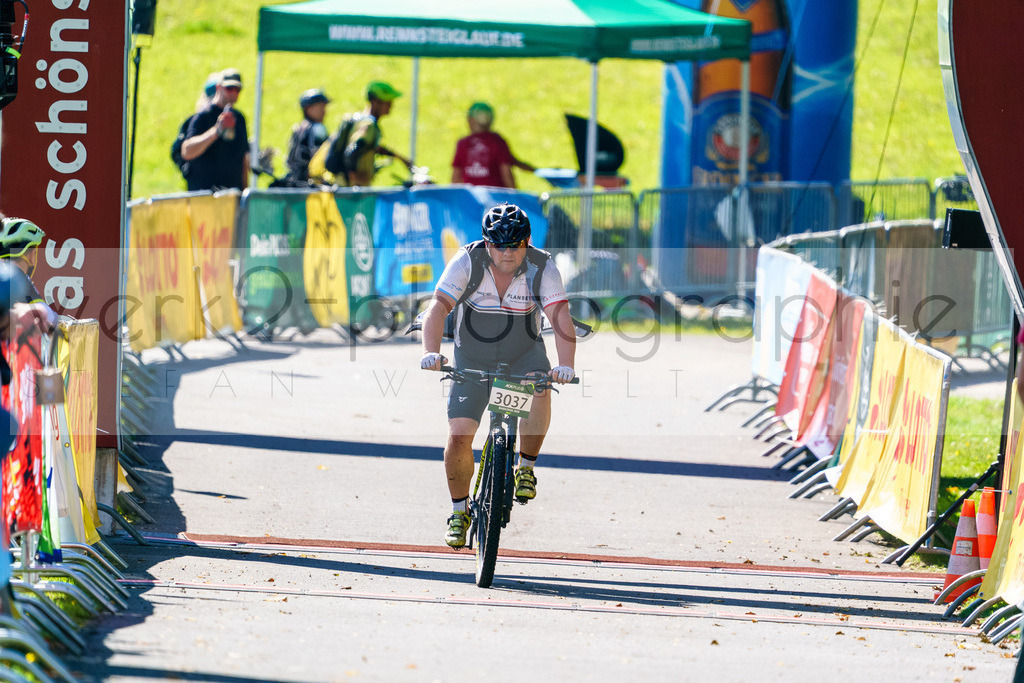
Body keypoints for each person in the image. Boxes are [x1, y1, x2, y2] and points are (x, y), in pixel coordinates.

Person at [419, 203, 577, 548]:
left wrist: (565, 364)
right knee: (460, 435)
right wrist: (431, 351)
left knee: (539, 385)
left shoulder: (541, 265)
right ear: (486, 243)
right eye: (498, 245)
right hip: (471, 356)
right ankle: (459, 512)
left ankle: (525, 467)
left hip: (523, 355)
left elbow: (560, 317)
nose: (507, 253)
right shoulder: (466, 261)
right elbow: (437, 309)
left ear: (527, 242)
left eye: (515, 245)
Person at [328, 80, 412, 187]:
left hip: (343, 187)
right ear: (375, 102)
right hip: (350, 190)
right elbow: (352, 151)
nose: (391, 106)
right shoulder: (368, 125)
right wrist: (355, 179)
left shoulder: (359, 120)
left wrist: (398, 157)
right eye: (387, 102)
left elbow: (370, 146)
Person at [181, 68, 250, 192]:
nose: (233, 93)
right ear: (219, 87)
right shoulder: (204, 115)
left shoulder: (239, 119)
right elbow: (187, 151)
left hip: (232, 195)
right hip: (205, 197)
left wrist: (245, 193)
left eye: (237, 89)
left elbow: (243, 159)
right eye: (229, 88)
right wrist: (216, 131)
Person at [451, 102, 536, 188]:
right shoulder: (498, 142)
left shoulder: (463, 143)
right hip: (496, 198)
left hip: (472, 198)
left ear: (471, 120)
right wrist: (513, 196)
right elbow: (506, 173)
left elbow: (456, 178)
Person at [284, 88, 331, 185]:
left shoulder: (298, 128)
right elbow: (322, 160)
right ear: (309, 109)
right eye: (321, 107)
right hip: (309, 184)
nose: (324, 112)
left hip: (293, 181)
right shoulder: (318, 128)